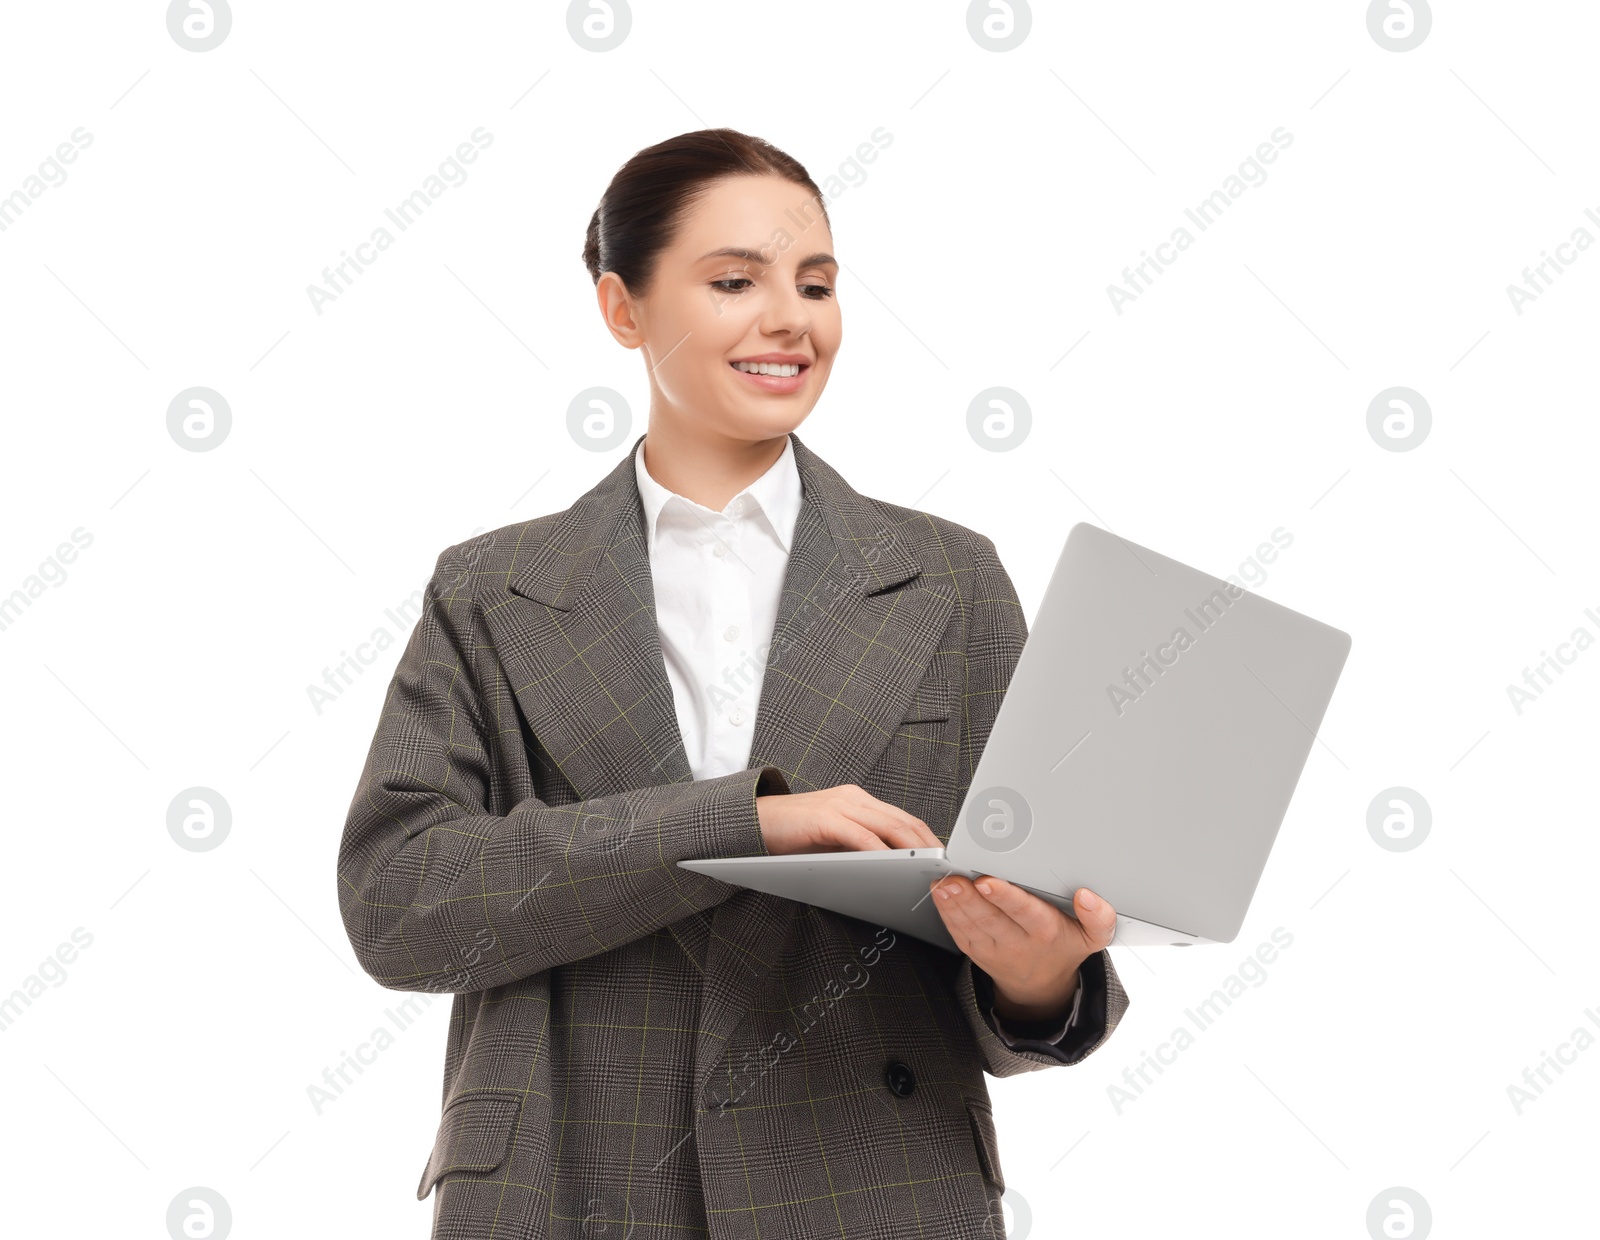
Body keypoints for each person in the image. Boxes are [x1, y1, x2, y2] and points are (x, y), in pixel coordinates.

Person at [337, 126, 1129, 1240]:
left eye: (815, 283)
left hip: (869, 1178)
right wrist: (740, 822)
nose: (789, 319)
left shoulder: (949, 579)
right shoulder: (491, 589)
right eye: (732, 281)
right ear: (623, 309)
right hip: (573, 1176)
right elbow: (399, 906)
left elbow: (1009, 943)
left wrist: (1038, 979)